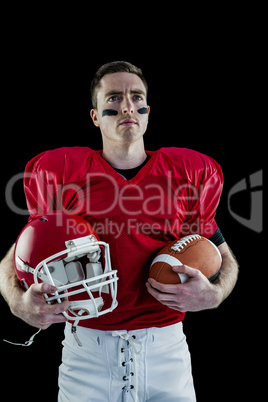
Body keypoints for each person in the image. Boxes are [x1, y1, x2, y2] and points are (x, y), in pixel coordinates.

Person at [0, 61, 238, 401]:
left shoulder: (189, 172)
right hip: (87, 352)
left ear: (147, 111)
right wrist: (17, 301)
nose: (127, 105)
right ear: (96, 115)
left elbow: (222, 255)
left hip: (166, 350)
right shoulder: (61, 172)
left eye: (135, 96)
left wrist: (215, 295)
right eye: (114, 98)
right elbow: (22, 249)